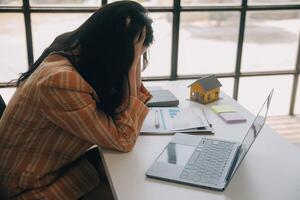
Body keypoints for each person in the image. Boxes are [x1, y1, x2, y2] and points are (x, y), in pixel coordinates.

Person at [0, 1, 154, 199]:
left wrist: (134, 57)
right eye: (134, 57)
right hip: (30, 189)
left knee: (130, 171)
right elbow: (124, 139)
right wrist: (131, 66)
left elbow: (126, 113)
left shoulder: (74, 51)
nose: (133, 66)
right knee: (134, 189)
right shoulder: (61, 81)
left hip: (49, 169)